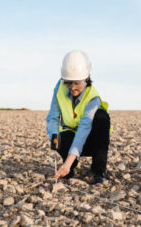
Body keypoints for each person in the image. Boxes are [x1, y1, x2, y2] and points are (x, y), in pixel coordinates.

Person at [46, 50, 111, 184]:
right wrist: (54, 138)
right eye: (68, 82)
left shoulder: (93, 98)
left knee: (102, 117)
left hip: (92, 141)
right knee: (58, 136)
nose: (72, 87)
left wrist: (67, 162)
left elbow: (84, 129)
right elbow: (53, 116)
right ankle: (71, 168)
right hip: (71, 137)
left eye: (77, 83)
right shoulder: (59, 87)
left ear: (86, 78)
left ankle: (99, 171)